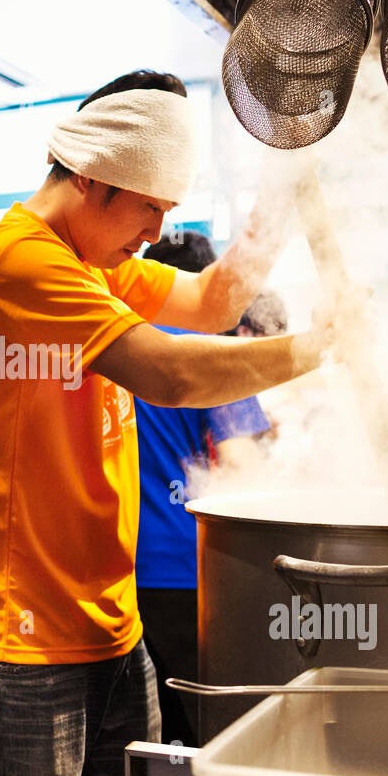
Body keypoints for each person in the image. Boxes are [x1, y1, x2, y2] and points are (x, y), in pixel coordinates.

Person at [0, 69, 359, 776]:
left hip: (111, 632)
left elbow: (212, 303)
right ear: (92, 177)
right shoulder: (17, 262)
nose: (157, 233)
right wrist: (318, 348)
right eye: (149, 207)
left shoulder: (98, 264)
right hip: (23, 649)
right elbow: (171, 374)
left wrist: (280, 198)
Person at [133, 232, 277, 747]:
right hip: (187, 570)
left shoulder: (123, 343)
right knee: (216, 734)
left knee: (150, 737)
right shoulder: (208, 349)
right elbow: (242, 465)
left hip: (122, 572)